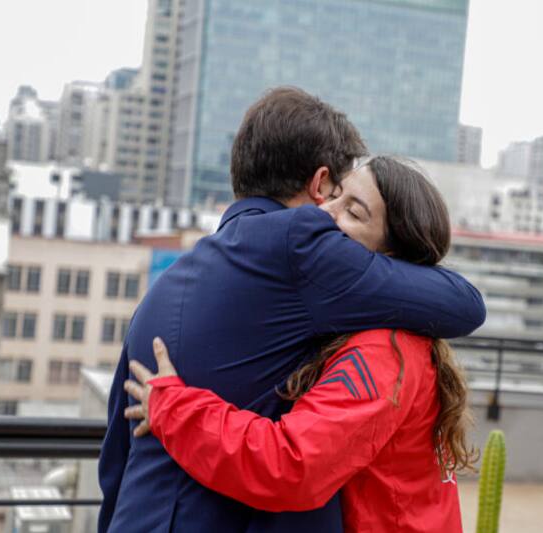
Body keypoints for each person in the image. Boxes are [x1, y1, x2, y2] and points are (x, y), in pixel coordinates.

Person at [98, 88, 486, 533]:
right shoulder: (304, 249)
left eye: (353, 209)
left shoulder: (164, 289)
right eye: (335, 195)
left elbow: (116, 461)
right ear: (319, 183)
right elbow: (465, 305)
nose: (330, 216)